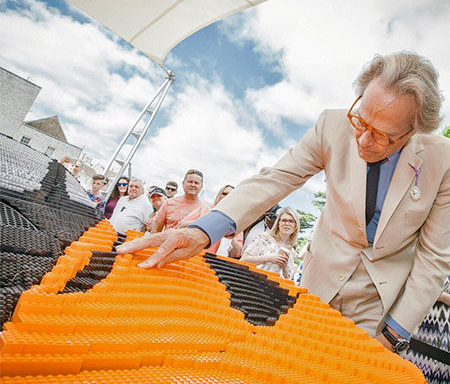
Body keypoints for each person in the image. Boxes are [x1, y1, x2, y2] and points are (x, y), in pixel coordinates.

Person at [117, 52, 450, 354]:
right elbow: (275, 179)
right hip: (319, 281)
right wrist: (200, 232)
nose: (362, 139)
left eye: (381, 136)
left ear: (413, 132)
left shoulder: (442, 162)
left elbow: (434, 258)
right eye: (361, 120)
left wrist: (393, 334)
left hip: (379, 301)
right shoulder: (332, 126)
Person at [241, 207, 299, 281]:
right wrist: (269, 258)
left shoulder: (292, 252)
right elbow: (244, 260)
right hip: (253, 282)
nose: (287, 224)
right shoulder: (264, 238)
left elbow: (288, 279)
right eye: (284, 220)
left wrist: (284, 268)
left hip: (273, 289)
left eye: (291, 221)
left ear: (295, 227)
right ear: (278, 224)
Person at [207, 185, 243, 258]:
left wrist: (228, 235)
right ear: (219, 195)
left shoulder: (236, 222)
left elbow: (236, 253)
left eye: (230, 195)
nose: (226, 197)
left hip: (214, 263)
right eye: (224, 194)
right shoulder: (206, 211)